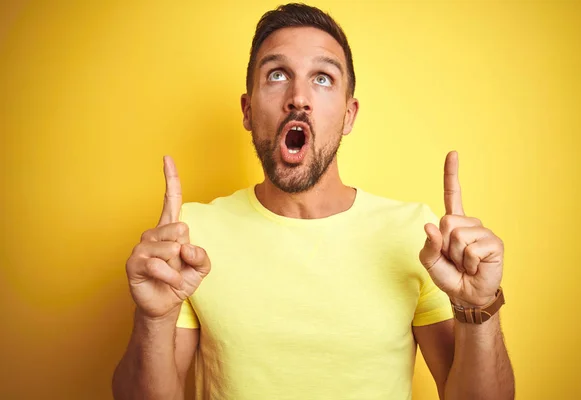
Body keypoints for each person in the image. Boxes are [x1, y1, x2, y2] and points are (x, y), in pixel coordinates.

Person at [112, 3, 515, 399]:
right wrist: (155, 318)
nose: (298, 98)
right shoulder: (191, 238)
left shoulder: (419, 236)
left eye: (322, 78)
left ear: (349, 115)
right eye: (277, 75)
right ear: (248, 110)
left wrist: (476, 308)